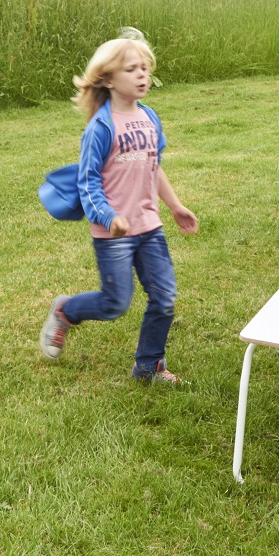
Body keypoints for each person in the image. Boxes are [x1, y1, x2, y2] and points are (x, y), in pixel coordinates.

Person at [39, 32, 199, 382]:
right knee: (115, 304)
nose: (142, 75)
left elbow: (153, 167)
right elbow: (88, 181)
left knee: (165, 297)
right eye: (131, 69)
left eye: (144, 68)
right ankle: (66, 310)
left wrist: (174, 206)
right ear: (108, 79)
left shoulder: (150, 118)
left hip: (149, 227)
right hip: (113, 232)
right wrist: (109, 217)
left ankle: (148, 366)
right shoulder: (101, 126)